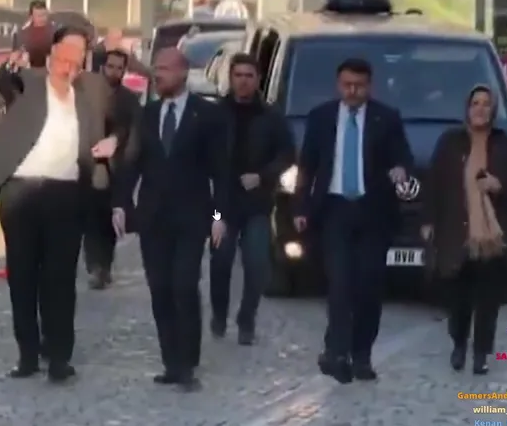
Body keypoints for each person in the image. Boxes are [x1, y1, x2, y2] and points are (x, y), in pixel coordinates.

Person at [0, 26, 125, 382]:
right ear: (50, 61)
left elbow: (115, 128)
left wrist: (112, 143)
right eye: (61, 60)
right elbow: (2, 85)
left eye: (73, 63)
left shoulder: (85, 103)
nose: (65, 68)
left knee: (60, 280)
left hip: (65, 194)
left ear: (79, 69)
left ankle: (59, 356)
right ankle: (28, 355)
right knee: (22, 277)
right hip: (21, 192)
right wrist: (9, 65)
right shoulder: (30, 89)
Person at [112, 48, 230, 392]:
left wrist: (218, 216)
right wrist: (121, 205)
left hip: (192, 219)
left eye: (164, 69)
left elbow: (221, 174)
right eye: (155, 69)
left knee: (184, 285)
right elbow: (131, 163)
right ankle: (171, 362)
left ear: (182, 73)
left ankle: (188, 361)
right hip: (153, 218)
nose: (157, 74)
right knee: (160, 288)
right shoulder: (147, 115)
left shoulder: (207, 115)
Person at [293, 58, 412, 384]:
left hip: (373, 212)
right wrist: (301, 207)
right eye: (347, 85)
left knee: (368, 286)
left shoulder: (386, 118)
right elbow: (307, 166)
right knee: (340, 284)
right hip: (333, 210)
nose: (352, 91)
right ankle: (337, 352)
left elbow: (402, 155)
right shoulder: (321, 117)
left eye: (359, 86)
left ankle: (362, 355)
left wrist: (400, 169)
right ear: (338, 85)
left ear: (369, 86)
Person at [420, 85, 507, 375]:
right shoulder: (450, 142)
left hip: (493, 237)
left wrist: (499, 184)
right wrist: (428, 221)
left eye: (486, 104)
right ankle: (458, 342)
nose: (480, 109)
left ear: (493, 111)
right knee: (457, 297)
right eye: (475, 103)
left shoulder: (504, 144)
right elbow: (434, 183)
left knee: (488, 300)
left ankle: (481, 353)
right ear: (467, 109)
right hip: (456, 231)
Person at [209, 53, 295, 345]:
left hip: (257, 204)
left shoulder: (271, 117)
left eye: (249, 76)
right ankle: (219, 313)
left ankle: (247, 318)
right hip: (220, 206)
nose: (243, 81)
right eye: (238, 75)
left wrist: (263, 175)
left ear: (258, 79)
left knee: (257, 263)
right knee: (220, 260)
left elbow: (287, 154)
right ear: (230, 78)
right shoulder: (216, 114)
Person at [83, 49, 142, 289]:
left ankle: (104, 266)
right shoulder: (87, 93)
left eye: (120, 68)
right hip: (88, 164)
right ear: (102, 67)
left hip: (116, 167)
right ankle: (95, 267)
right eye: (111, 66)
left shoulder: (129, 100)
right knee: (91, 219)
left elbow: (134, 131)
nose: (115, 72)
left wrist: (117, 142)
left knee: (110, 221)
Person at [9, 0, 56, 70]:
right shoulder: (22, 34)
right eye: (39, 16)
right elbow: (15, 56)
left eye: (44, 15)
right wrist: (20, 62)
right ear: (31, 17)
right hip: (28, 71)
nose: (43, 18)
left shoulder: (55, 32)